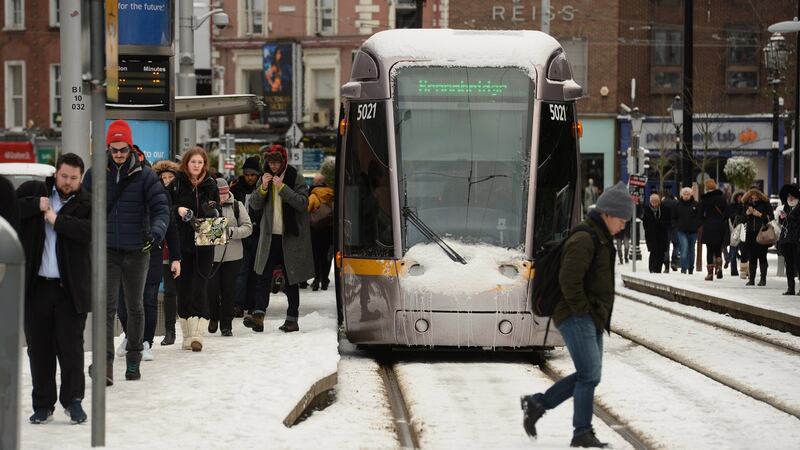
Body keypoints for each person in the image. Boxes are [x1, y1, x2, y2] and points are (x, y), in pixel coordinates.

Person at [520, 182, 631, 448]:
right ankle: (581, 431)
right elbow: (569, 280)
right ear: (607, 213)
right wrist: (583, 310)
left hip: (591, 315)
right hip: (575, 314)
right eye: (622, 219)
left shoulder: (601, 237)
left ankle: (538, 405)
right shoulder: (586, 237)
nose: (624, 225)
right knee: (589, 374)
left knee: (589, 374)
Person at [84, 120, 170, 384]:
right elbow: (82, 206)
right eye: (114, 149)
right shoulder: (95, 173)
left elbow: (161, 210)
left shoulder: (145, 175)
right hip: (107, 251)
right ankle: (105, 365)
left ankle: (133, 360)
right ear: (107, 147)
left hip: (137, 250)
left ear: (130, 147)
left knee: (135, 307)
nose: (119, 154)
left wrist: (155, 233)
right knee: (105, 308)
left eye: (123, 149)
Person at [16, 153, 91, 424]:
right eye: (64, 176)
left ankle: (73, 401)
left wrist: (57, 221)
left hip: (69, 290)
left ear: (81, 179)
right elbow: (8, 209)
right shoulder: (36, 192)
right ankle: (42, 404)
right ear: (55, 174)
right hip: (38, 288)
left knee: (71, 349)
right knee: (39, 350)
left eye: (73, 178)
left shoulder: (87, 203)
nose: (68, 182)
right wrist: (36, 205)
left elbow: (90, 232)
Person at [244, 144, 314, 333]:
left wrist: (282, 188)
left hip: (289, 237)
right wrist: (264, 187)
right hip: (269, 236)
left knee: (291, 278)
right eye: (270, 162)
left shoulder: (294, 176)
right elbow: (255, 205)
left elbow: (302, 203)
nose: (273, 166)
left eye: (277, 162)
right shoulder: (263, 177)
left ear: (283, 161)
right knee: (263, 276)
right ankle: (258, 316)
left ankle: (292, 319)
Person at [168, 147, 220, 351]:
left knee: (200, 285)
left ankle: (197, 334)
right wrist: (178, 209)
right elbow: (165, 207)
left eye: (200, 162)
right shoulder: (177, 183)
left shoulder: (211, 183)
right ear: (186, 163)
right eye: (193, 162)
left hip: (206, 241)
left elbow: (216, 209)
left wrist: (212, 209)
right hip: (181, 242)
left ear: (204, 164)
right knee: (183, 288)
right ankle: (187, 334)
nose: (196, 165)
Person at [207, 178, 252, 336]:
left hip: (233, 257)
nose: (223, 196)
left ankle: (226, 325)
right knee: (211, 290)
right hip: (211, 256)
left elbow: (248, 227)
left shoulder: (236, 206)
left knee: (229, 292)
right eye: (220, 193)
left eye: (225, 193)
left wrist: (231, 232)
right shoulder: (207, 205)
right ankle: (213, 316)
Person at [152, 160, 183, 345]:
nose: (167, 181)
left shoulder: (182, 194)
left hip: (180, 248)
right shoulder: (156, 195)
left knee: (177, 291)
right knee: (162, 291)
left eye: (171, 177)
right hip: (161, 248)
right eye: (163, 177)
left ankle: (177, 330)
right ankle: (164, 331)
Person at [231, 155, 262, 317]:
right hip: (242, 234)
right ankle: (238, 304)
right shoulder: (236, 189)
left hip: (259, 234)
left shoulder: (263, 188)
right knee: (241, 271)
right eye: (247, 174)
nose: (249, 177)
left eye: (253, 174)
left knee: (256, 271)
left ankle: (253, 304)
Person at [308, 158, 335, 290]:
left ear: (316, 183)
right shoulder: (332, 194)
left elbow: (307, 210)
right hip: (329, 229)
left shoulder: (314, 196)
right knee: (326, 256)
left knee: (316, 255)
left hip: (316, 230)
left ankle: (317, 279)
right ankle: (325, 279)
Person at [740, 188, 773, 286]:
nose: (753, 197)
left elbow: (770, 218)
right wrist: (747, 214)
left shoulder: (765, 204)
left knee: (762, 256)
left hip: (762, 233)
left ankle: (763, 279)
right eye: (751, 195)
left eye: (755, 195)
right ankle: (752, 279)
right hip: (750, 234)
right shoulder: (746, 205)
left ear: (759, 195)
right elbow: (741, 219)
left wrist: (759, 214)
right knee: (752, 257)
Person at [700, 179, 727, 281]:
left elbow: (700, 214)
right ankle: (719, 267)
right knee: (718, 249)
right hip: (720, 227)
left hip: (708, 226)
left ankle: (710, 274)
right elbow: (727, 212)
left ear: (707, 187)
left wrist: (704, 221)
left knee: (709, 251)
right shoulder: (722, 198)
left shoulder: (705, 199)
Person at [672, 187, 701, 274]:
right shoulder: (677, 205)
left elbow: (700, 217)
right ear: (681, 195)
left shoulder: (696, 205)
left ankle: (691, 269)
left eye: (688, 194)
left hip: (693, 232)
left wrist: (697, 225)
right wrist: (677, 226)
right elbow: (673, 217)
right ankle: (684, 269)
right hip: (682, 231)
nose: (686, 196)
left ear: (691, 195)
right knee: (684, 250)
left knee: (691, 251)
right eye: (684, 194)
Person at [777, 184, 800, 294]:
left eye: (792, 196)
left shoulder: (799, 206)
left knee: (798, 263)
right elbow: (782, 223)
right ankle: (791, 288)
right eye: (788, 196)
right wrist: (781, 218)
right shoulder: (785, 206)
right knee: (789, 264)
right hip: (786, 239)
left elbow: (795, 220)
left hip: (797, 239)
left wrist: (789, 217)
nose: (790, 198)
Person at [642, 193, 669, 273]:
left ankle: (658, 270)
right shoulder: (647, 209)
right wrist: (648, 229)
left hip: (662, 234)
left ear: (659, 202)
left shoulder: (664, 209)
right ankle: (652, 269)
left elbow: (667, 222)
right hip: (651, 235)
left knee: (661, 253)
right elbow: (645, 222)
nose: (654, 204)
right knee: (653, 252)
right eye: (653, 202)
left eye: (656, 201)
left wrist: (660, 223)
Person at [726, 191, 745, 278]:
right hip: (734, 231)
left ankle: (744, 270)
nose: (740, 198)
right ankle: (733, 271)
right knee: (733, 252)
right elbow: (730, 216)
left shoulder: (745, 206)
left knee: (744, 252)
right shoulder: (731, 206)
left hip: (743, 231)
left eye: (742, 196)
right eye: (738, 197)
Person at [661, 191, 680, 271]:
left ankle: (666, 266)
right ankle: (674, 262)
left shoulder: (663, 203)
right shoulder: (677, 202)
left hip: (665, 227)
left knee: (666, 246)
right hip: (675, 227)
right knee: (676, 245)